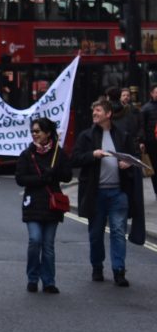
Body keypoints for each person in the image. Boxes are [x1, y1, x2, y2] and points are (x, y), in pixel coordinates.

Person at [70, 98, 141, 287]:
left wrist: (128, 164)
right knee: (96, 233)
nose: (94, 114)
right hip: (96, 193)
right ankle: (97, 267)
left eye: (98, 111)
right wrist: (92, 155)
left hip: (118, 193)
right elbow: (75, 158)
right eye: (94, 111)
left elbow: (134, 159)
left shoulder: (122, 135)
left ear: (108, 114)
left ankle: (119, 270)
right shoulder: (86, 136)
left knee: (118, 231)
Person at [14, 117, 72, 294]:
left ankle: (48, 281)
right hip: (33, 204)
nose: (34, 134)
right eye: (32, 131)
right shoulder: (27, 154)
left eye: (38, 131)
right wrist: (41, 178)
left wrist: (55, 173)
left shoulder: (58, 153)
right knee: (35, 240)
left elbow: (68, 176)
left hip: (51, 206)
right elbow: (20, 179)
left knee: (48, 245)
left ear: (47, 133)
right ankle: (32, 278)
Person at [140, 84, 157, 198]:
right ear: (151, 93)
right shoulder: (146, 108)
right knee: (154, 169)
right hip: (153, 144)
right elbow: (142, 127)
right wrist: (142, 142)